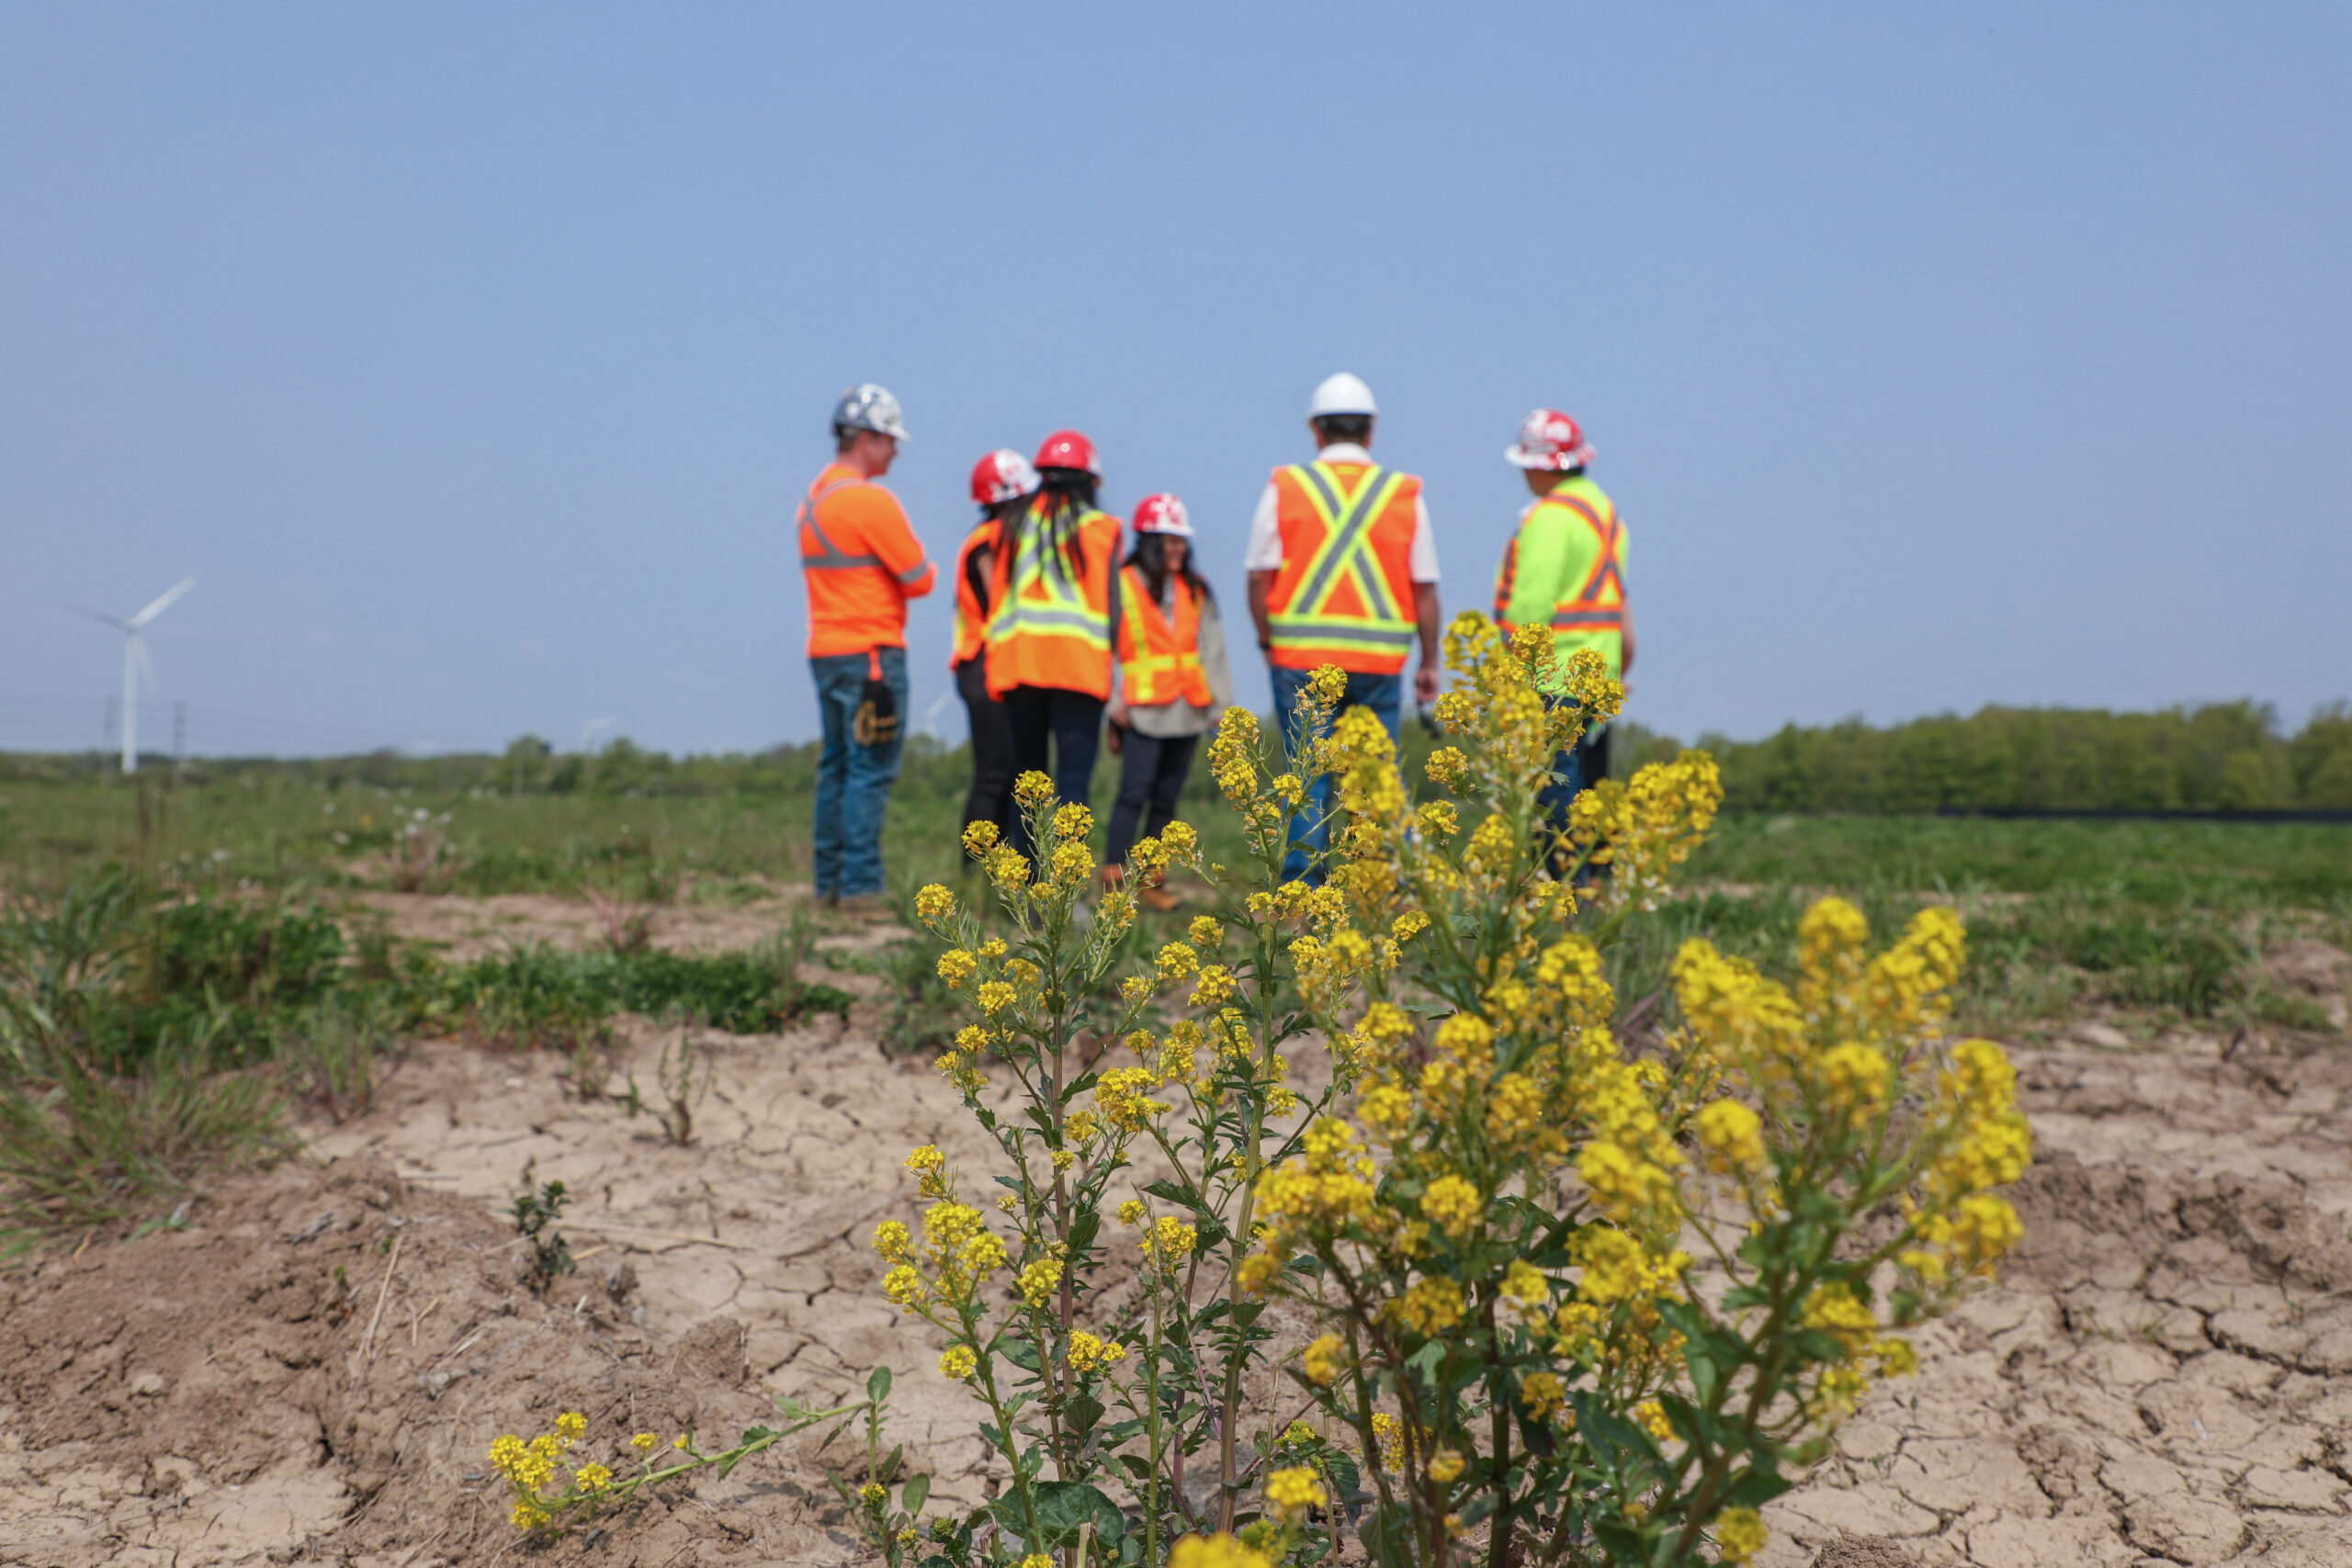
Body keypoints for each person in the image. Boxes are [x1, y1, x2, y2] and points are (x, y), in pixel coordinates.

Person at [1245, 372, 1443, 883]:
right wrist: (1429, 661)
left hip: (1299, 659)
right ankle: (1387, 884)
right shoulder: (1402, 492)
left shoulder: (1287, 486)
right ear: (1371, 432)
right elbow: (1424, 588)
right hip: (1379, 664)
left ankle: (1301, 892)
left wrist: (1267, 640)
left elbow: (1258, 575)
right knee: (1379, 776)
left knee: (1307, 778)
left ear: (1316, 431)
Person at [798, 384, 934, 911]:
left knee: (835, 766)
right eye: (890, 439)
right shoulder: (868, 501)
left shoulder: (812, 502)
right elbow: (919, 577)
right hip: (872, 656)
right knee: (871, 768)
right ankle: (861, 887)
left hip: (826, 650)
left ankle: (827, 886)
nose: (896, 451)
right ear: (866, 438)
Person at [1492, 407, 1635, 832]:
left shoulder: (1550, 516)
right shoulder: (1607, 515)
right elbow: (1617, 600)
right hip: (1600, 676)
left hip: (1551, 677)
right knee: (1591, 789)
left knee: (1551, 796)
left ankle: (1562, 888)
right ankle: (1594, 884)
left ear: (1539, 468)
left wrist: (1509, 674)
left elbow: (1530, 608)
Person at [983, 429, 1125, 860]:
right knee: (1074, 782)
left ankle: (1021, 888)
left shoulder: (1010, 523)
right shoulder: (1100, 528)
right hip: (1077, 669)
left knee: (1026, 782)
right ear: (1090, 482)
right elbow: (1114, 609)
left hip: (1019, 665)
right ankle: (1066, 889)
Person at [1104, 493, 1233, 911]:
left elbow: (1212, 648)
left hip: (1188, 708)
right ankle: (1112, 880)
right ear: (1146, 542)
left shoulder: (1194, 589)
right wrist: (1110, 699)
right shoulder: (1119, 585)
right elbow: (1101, 645)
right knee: (1133, 794)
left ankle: (1150, 882)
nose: (1177, 549)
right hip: (1141, 709)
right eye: (1168, 541)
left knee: (1166, 800)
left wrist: (1222, 707)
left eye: (1181, 541)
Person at [954, 449, 1039, 842]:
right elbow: (1001, 601)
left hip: (991, 661)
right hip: (985, 663)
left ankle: (999, 873)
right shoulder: (988, 543)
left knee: (1007, 772)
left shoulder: (990, 538)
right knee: (994, 774)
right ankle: (975, 875)